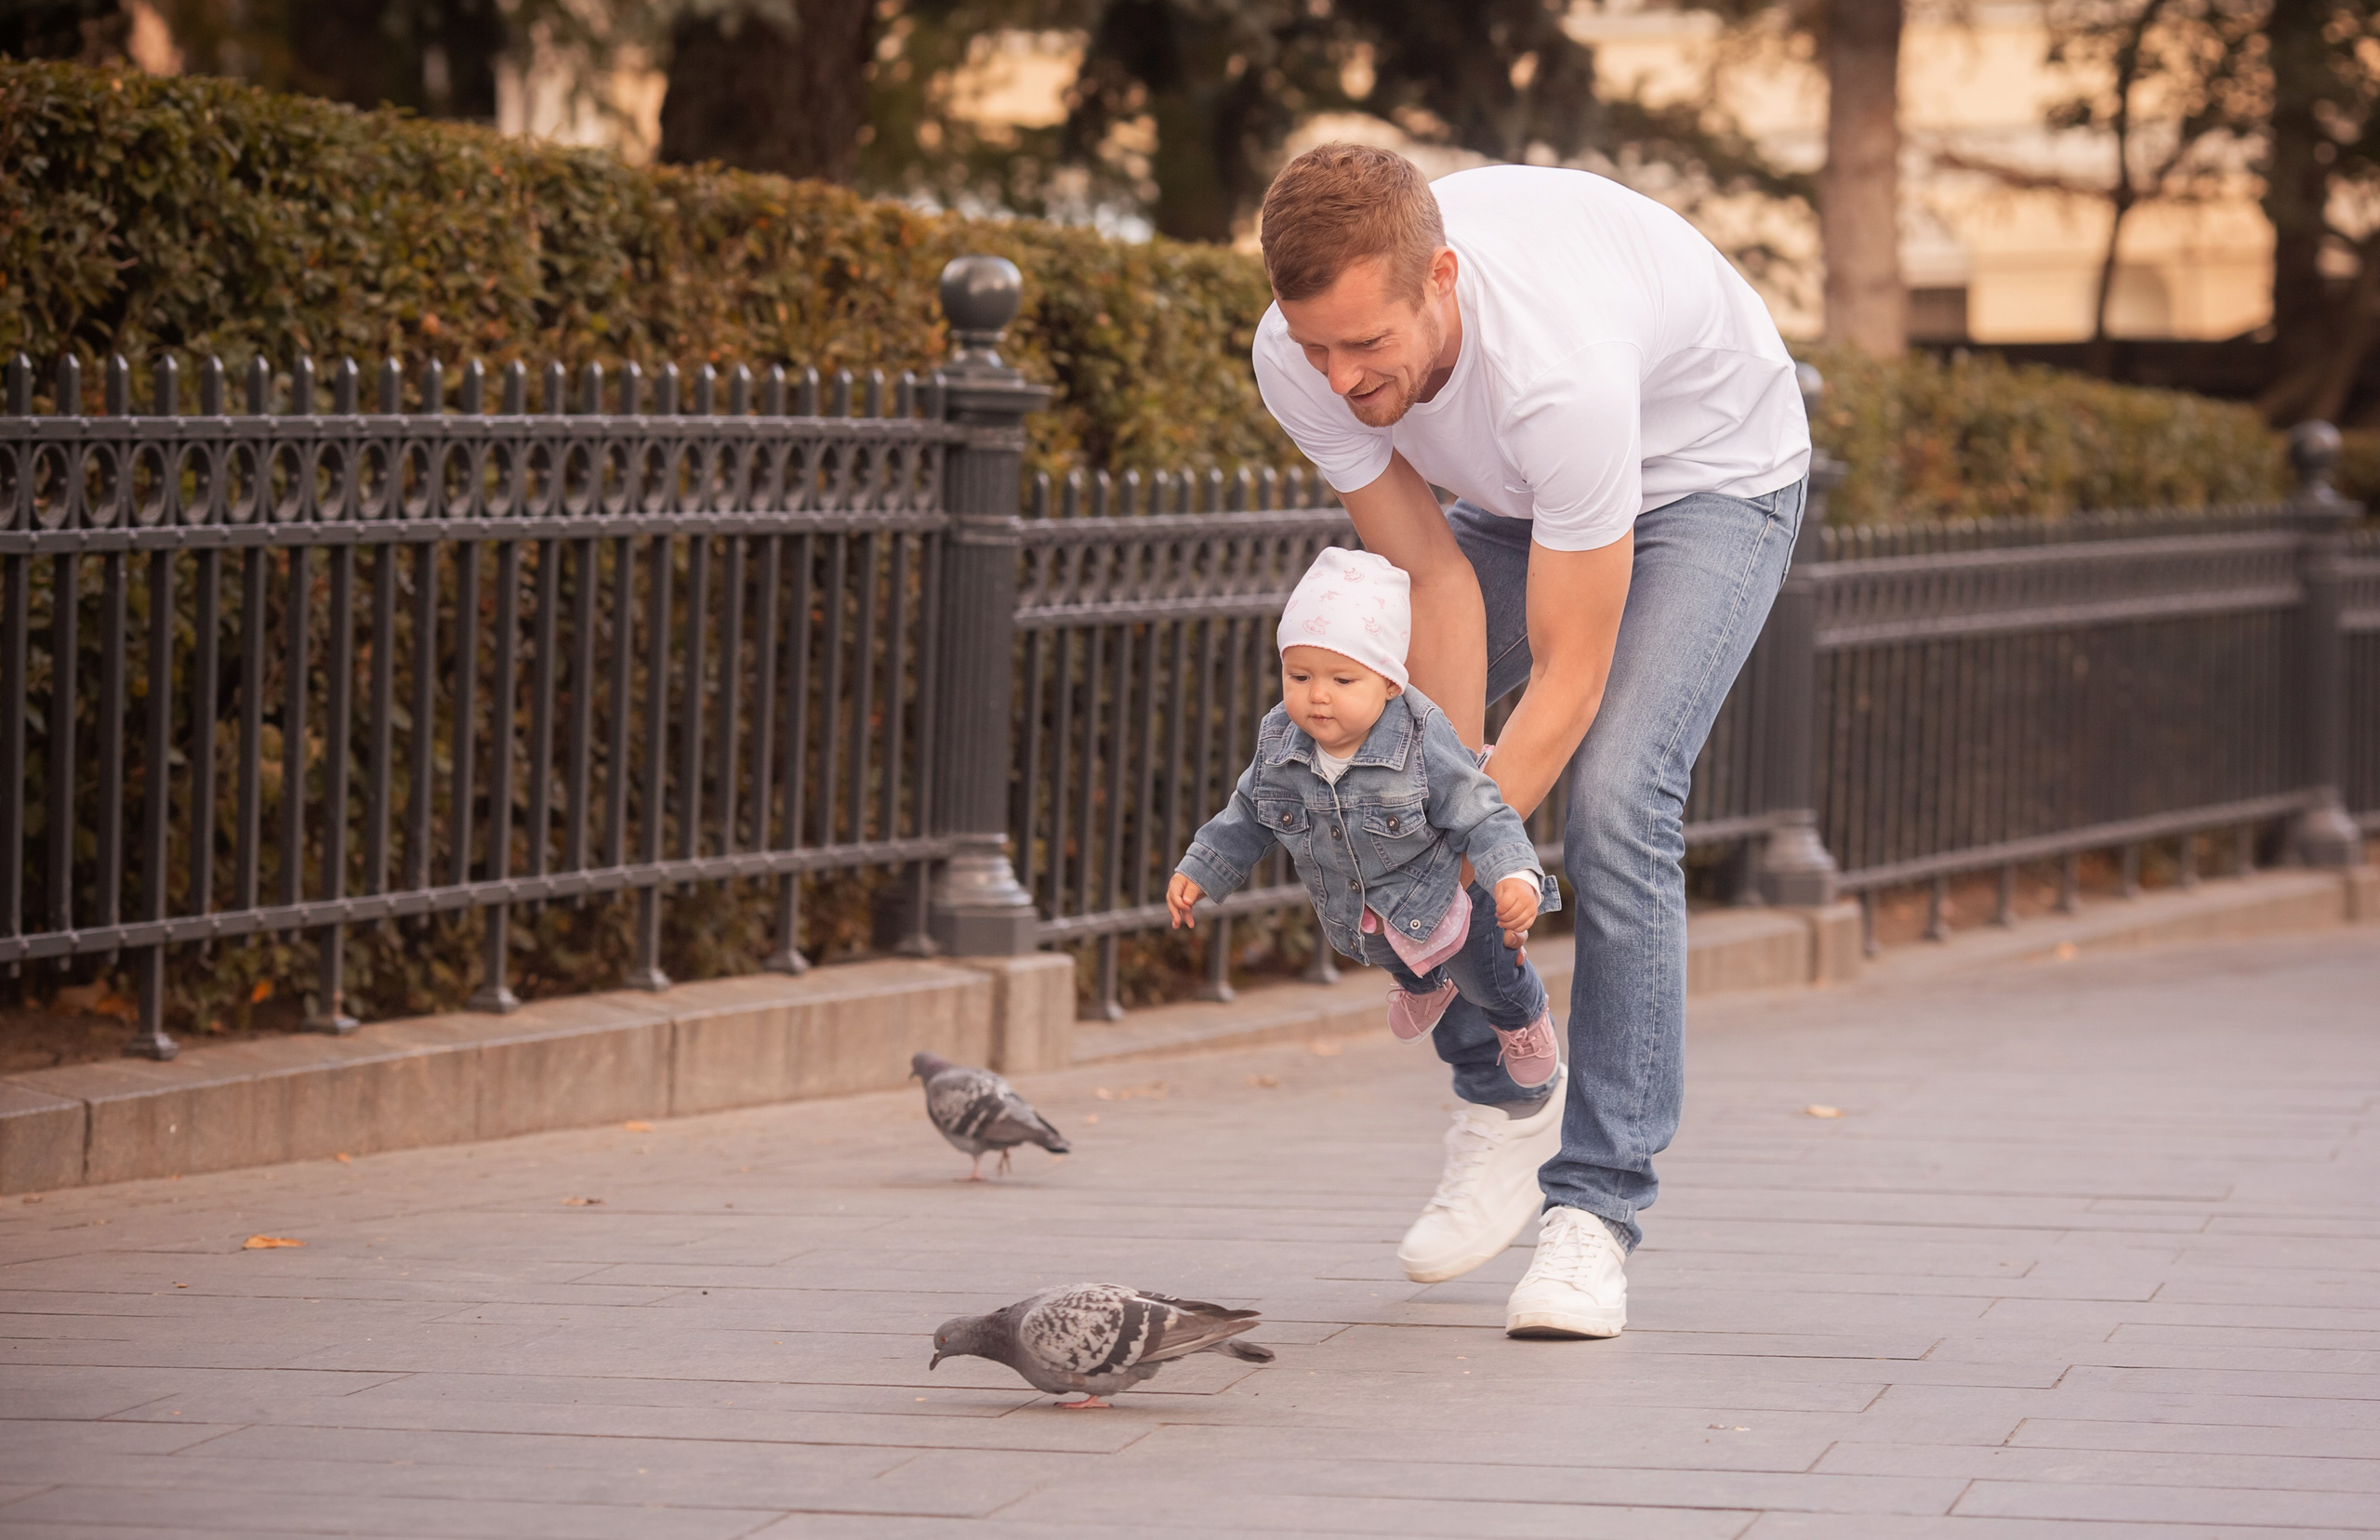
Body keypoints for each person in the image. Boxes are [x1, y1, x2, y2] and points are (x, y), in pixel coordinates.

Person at [1250, 145, 1811, 1339]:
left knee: (1616, 802)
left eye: (1367, 345)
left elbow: (1571, 671)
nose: (1343, 379)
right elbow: (1436, 584)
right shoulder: (1295, 358)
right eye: (1317, 347)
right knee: (1378, 772)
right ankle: (1506, 1093)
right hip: (1519, 509)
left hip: (1710, 478)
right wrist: (1421, 820)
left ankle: (1596, 1214)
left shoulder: (1556, 368)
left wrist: (1470, 840)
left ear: (1439, 277)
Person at [1166, 546, 1564, 1099]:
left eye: (1342, 680)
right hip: (1359, 912)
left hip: (1446, 900)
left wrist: (1514, 874)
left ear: (1390, 684)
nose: (1317, 696)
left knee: (1486, 980)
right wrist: (1203, 867)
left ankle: (1523, 1019)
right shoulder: (1280, 740)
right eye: (1299, 675)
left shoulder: (1422, 741)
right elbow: (1249, 809)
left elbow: (1482, 809)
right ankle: (1421, 985)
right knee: (1389, 955)